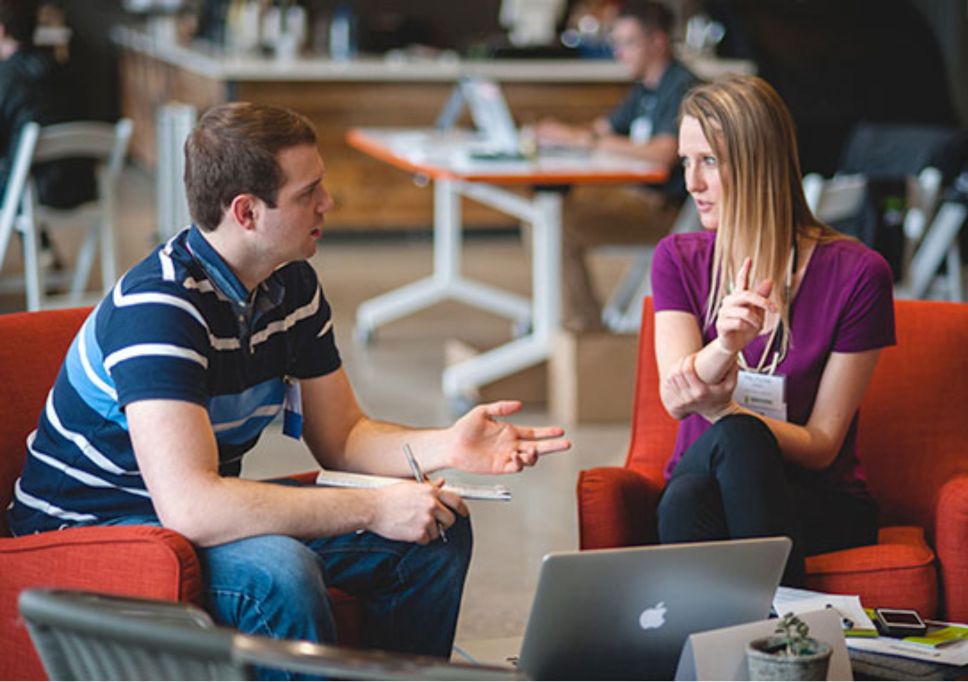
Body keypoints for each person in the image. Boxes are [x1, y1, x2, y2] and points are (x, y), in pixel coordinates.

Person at [7, 102, 571, 670]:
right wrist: (373, 509)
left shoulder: (291, 284)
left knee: (437, 530)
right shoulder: (159, 308)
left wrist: (449, 444)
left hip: (179, 516)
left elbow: (343, 436)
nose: (327, 203)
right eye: (309, 193)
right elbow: (193, 506)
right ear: (247, 212)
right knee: (278, 572)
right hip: (87, 535)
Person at [652, 75, 895, 586]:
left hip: (815, 500)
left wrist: (725, 410)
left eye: (710, 162)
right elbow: (676, 399)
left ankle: (718, 656)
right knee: (694, 488)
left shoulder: (858, 274)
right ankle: (785, 642)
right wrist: (725, 346)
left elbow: (824, 443)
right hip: (702, 481)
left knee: (728, 448)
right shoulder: (678, 259)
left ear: (758, 163)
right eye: (686, 163)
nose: (692, 183)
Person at [534, 0, 697, 331]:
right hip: (632, 198)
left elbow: (662, 153)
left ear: (657, 41)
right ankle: (563, 320)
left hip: (666, 211)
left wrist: (587, 142)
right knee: (544, 213)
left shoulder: (682, 88)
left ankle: (584, 332)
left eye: (628, 43)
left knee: (555, 224)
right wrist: (565, 135)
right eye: (617, 43)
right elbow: (603, 128)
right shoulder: (644, 88)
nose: (619, 53)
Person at [0, 0, 94, 268]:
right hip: (83, 185)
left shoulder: (6, 78)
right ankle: (42, 251)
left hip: (31, 191)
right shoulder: (68, 72)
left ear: (1, 30)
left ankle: (41, 251)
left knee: (13, 171)